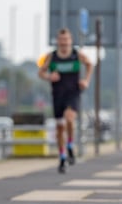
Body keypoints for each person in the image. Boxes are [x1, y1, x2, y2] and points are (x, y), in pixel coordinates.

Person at [38, 28, 93, 174]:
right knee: (59, 127)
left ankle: (70, 144)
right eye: (61, 40)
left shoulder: (76, 55)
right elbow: (41, 72)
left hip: (73, 92)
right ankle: (62, 156)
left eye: (66, 40)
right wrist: (49, 77)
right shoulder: (52, 56)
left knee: (69, 118)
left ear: (71, 41)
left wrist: (86, 80)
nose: (64, 43)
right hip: (57, 94)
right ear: (57, 41)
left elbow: (90, 64)